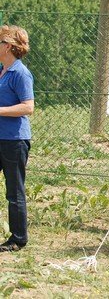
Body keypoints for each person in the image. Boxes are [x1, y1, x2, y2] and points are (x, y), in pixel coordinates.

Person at [0, 25, 34, 252]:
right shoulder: (2, 70)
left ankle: (18, 238)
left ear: (8, 46)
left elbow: (28, 107)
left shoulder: (21, 73)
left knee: (14, 190)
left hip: (14, 141)